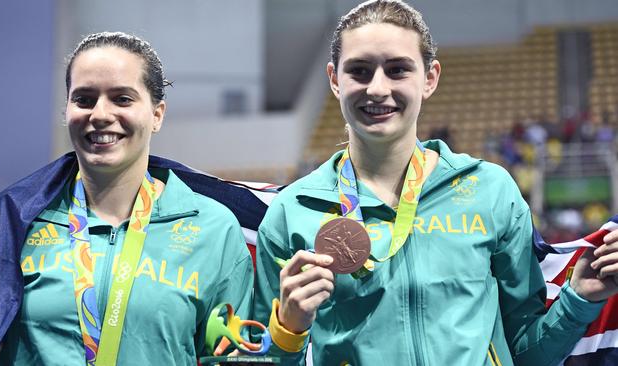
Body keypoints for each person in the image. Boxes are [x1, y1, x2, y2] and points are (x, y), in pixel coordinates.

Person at [253, 1, 618, 365]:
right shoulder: (293, 212)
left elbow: (526, 352)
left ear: (429, 78)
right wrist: (289, 330)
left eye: (397, 70)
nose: (378, 88)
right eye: (359, 71)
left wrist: (579, 299)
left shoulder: (489, 190)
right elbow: (257, 357)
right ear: (335, 80)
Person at [0, 32, 253, 365]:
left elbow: (231, 357)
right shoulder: (15, 223)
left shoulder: (213, 228)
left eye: (122, 99)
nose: (99, 114)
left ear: (157, 114)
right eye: (83, 99)